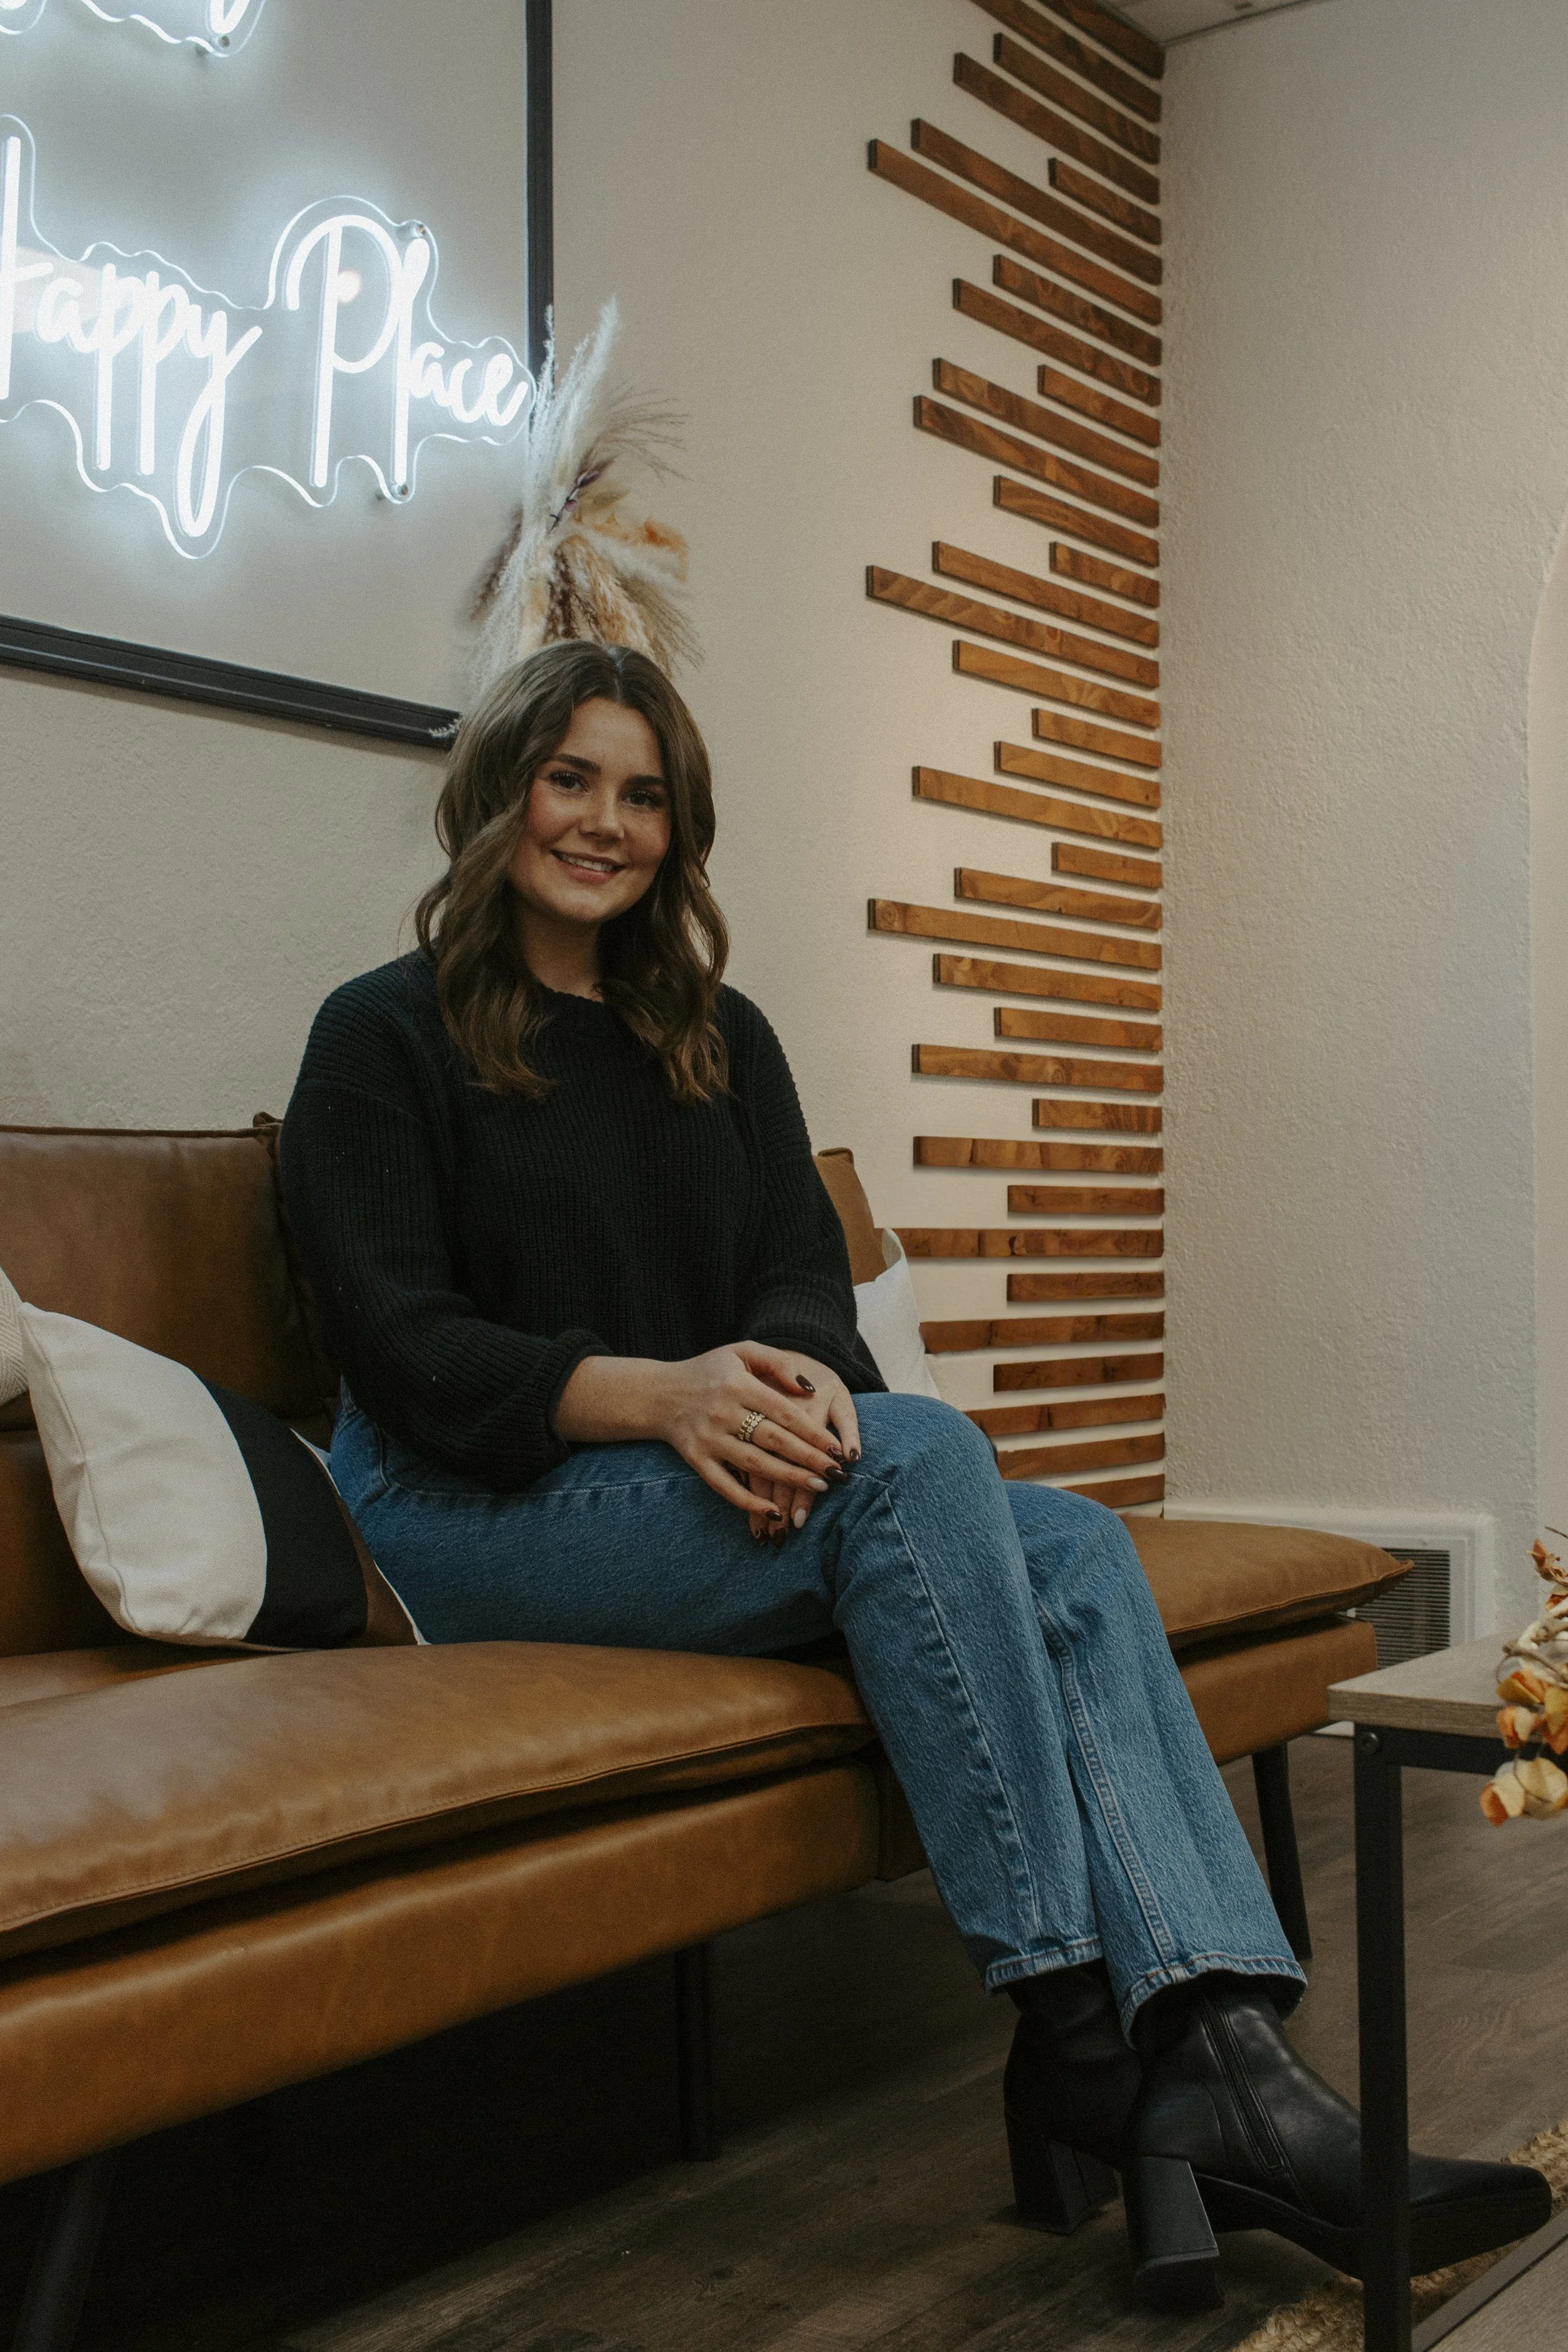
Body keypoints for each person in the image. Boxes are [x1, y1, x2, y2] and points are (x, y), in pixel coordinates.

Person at [281, 640, 1545, 2311]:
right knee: (924, 1460)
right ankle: (1081, 2024)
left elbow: (798, 1277)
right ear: (497, 788)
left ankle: (1215, 2060)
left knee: (1074, 1547)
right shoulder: (382, 1032)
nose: (601, 820)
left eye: (642, 792)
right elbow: (399, 1345)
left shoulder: (712, 1034)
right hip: (455, 1519)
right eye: (568, 776)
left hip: (685, 1493)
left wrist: (800, 1367)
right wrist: (663, 1396)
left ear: (682, 826)